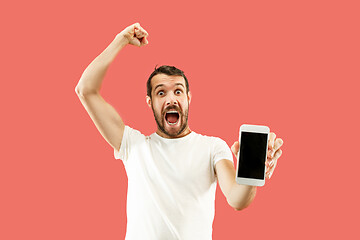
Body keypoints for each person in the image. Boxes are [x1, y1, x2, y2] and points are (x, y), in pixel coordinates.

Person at [75, 23, 283, 240]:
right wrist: (121, 39)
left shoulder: (212, 147)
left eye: (178, 91)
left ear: (188, 98)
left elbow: (237, 199)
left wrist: (251, 171)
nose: (171, 98)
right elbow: (85, 90)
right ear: (150, 102)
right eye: (161, 93)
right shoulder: (132, 144)